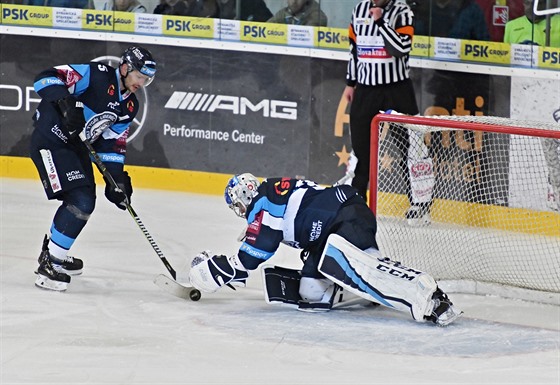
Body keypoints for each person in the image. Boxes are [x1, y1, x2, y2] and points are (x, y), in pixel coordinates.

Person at [188, 173, 462, 326]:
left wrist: (219, 268)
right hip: (332, 230)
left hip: (342, 218)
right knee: (312, 294)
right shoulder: (270, 193)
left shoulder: (263, 201)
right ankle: (366, 286)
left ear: (243, 197)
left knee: (365, 270)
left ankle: (429, 297)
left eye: (236, 205)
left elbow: (260, 248)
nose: (240, 212)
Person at [30, 46, 157, 291]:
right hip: (51, 139)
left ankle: (57, 250)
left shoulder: (129, 107)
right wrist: (65, 101)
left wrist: (117, 180)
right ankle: (50, 263)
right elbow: (44, 77)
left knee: (86, 200)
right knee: (80, 200)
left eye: (146, 79)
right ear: (124, 68)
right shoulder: (97, 74)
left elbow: (111, 143)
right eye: (139, 76)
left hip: (75, 148)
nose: (141, 83)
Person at [344, 0, 433, 226]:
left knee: (412, 147)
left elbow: (400, 50)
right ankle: (356, 202)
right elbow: (354, 50)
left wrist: (381, 22)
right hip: (365, 89)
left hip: (396, 89)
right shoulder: (359, 9)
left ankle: (420, 204)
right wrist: (350, 83)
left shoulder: (402, 11)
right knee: (361, 150)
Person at [504, 0, 560, 210]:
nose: (530, 5)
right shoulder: (512, 26)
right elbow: (505, 64)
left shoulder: (558, 22)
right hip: (524, 94)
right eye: (526, 1)